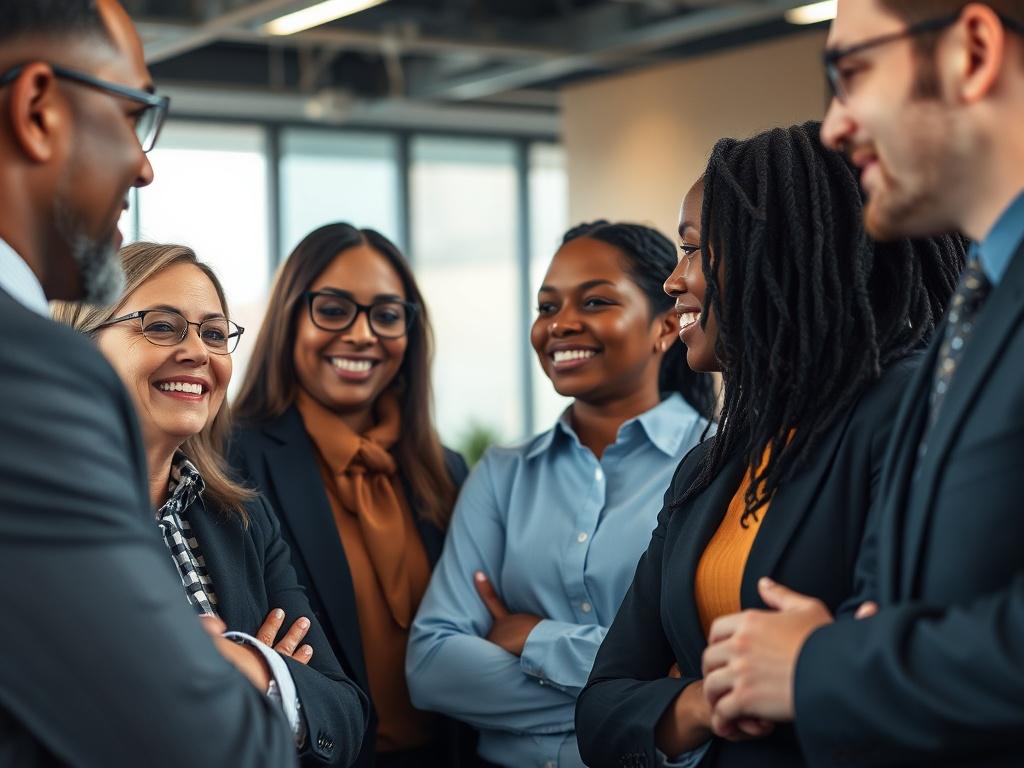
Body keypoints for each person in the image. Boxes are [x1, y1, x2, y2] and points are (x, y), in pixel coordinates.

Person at [574, 123, 965, 768]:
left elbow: (923, 671)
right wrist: (703, 703)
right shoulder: (711, 465)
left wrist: (809, 668)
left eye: (694, 250)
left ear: (779, 252)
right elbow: (603, 708)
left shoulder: (907, 414)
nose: (674, 282)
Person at [699, 3, 1024, 766]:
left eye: (850, 74)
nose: (835, 127)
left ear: (970, 52)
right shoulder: (973, 314)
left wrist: (820, 667)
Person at [0, 1, 299, 765]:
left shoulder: (238, 517)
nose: (144, 165)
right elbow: (210, 744)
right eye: (133, 116)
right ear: (38, 109)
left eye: (210, 330)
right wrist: (237, 675)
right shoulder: (28, 376)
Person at [406, 221, 716, 768]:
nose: (562, 324)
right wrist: (648, 704)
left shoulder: (716, 462)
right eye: (547, 308)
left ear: (666, 326)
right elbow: (432, 666)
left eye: (595, 301)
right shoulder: (503, 474)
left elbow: (709, 674)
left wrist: (536, 638)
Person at [54, 242, 369, 766]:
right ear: (78, 347)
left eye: (215, 333)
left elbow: (344, 714)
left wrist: (257, 672)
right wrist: (276, 681)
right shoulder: (31, 515)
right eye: (160, 325)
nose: (198, 352)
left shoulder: (243, 518)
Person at [230, 223, 471, 768]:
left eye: (387, 315)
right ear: (290, 317)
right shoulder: (231, 459)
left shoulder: (443, 468)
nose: (363, 335)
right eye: (334, 309)